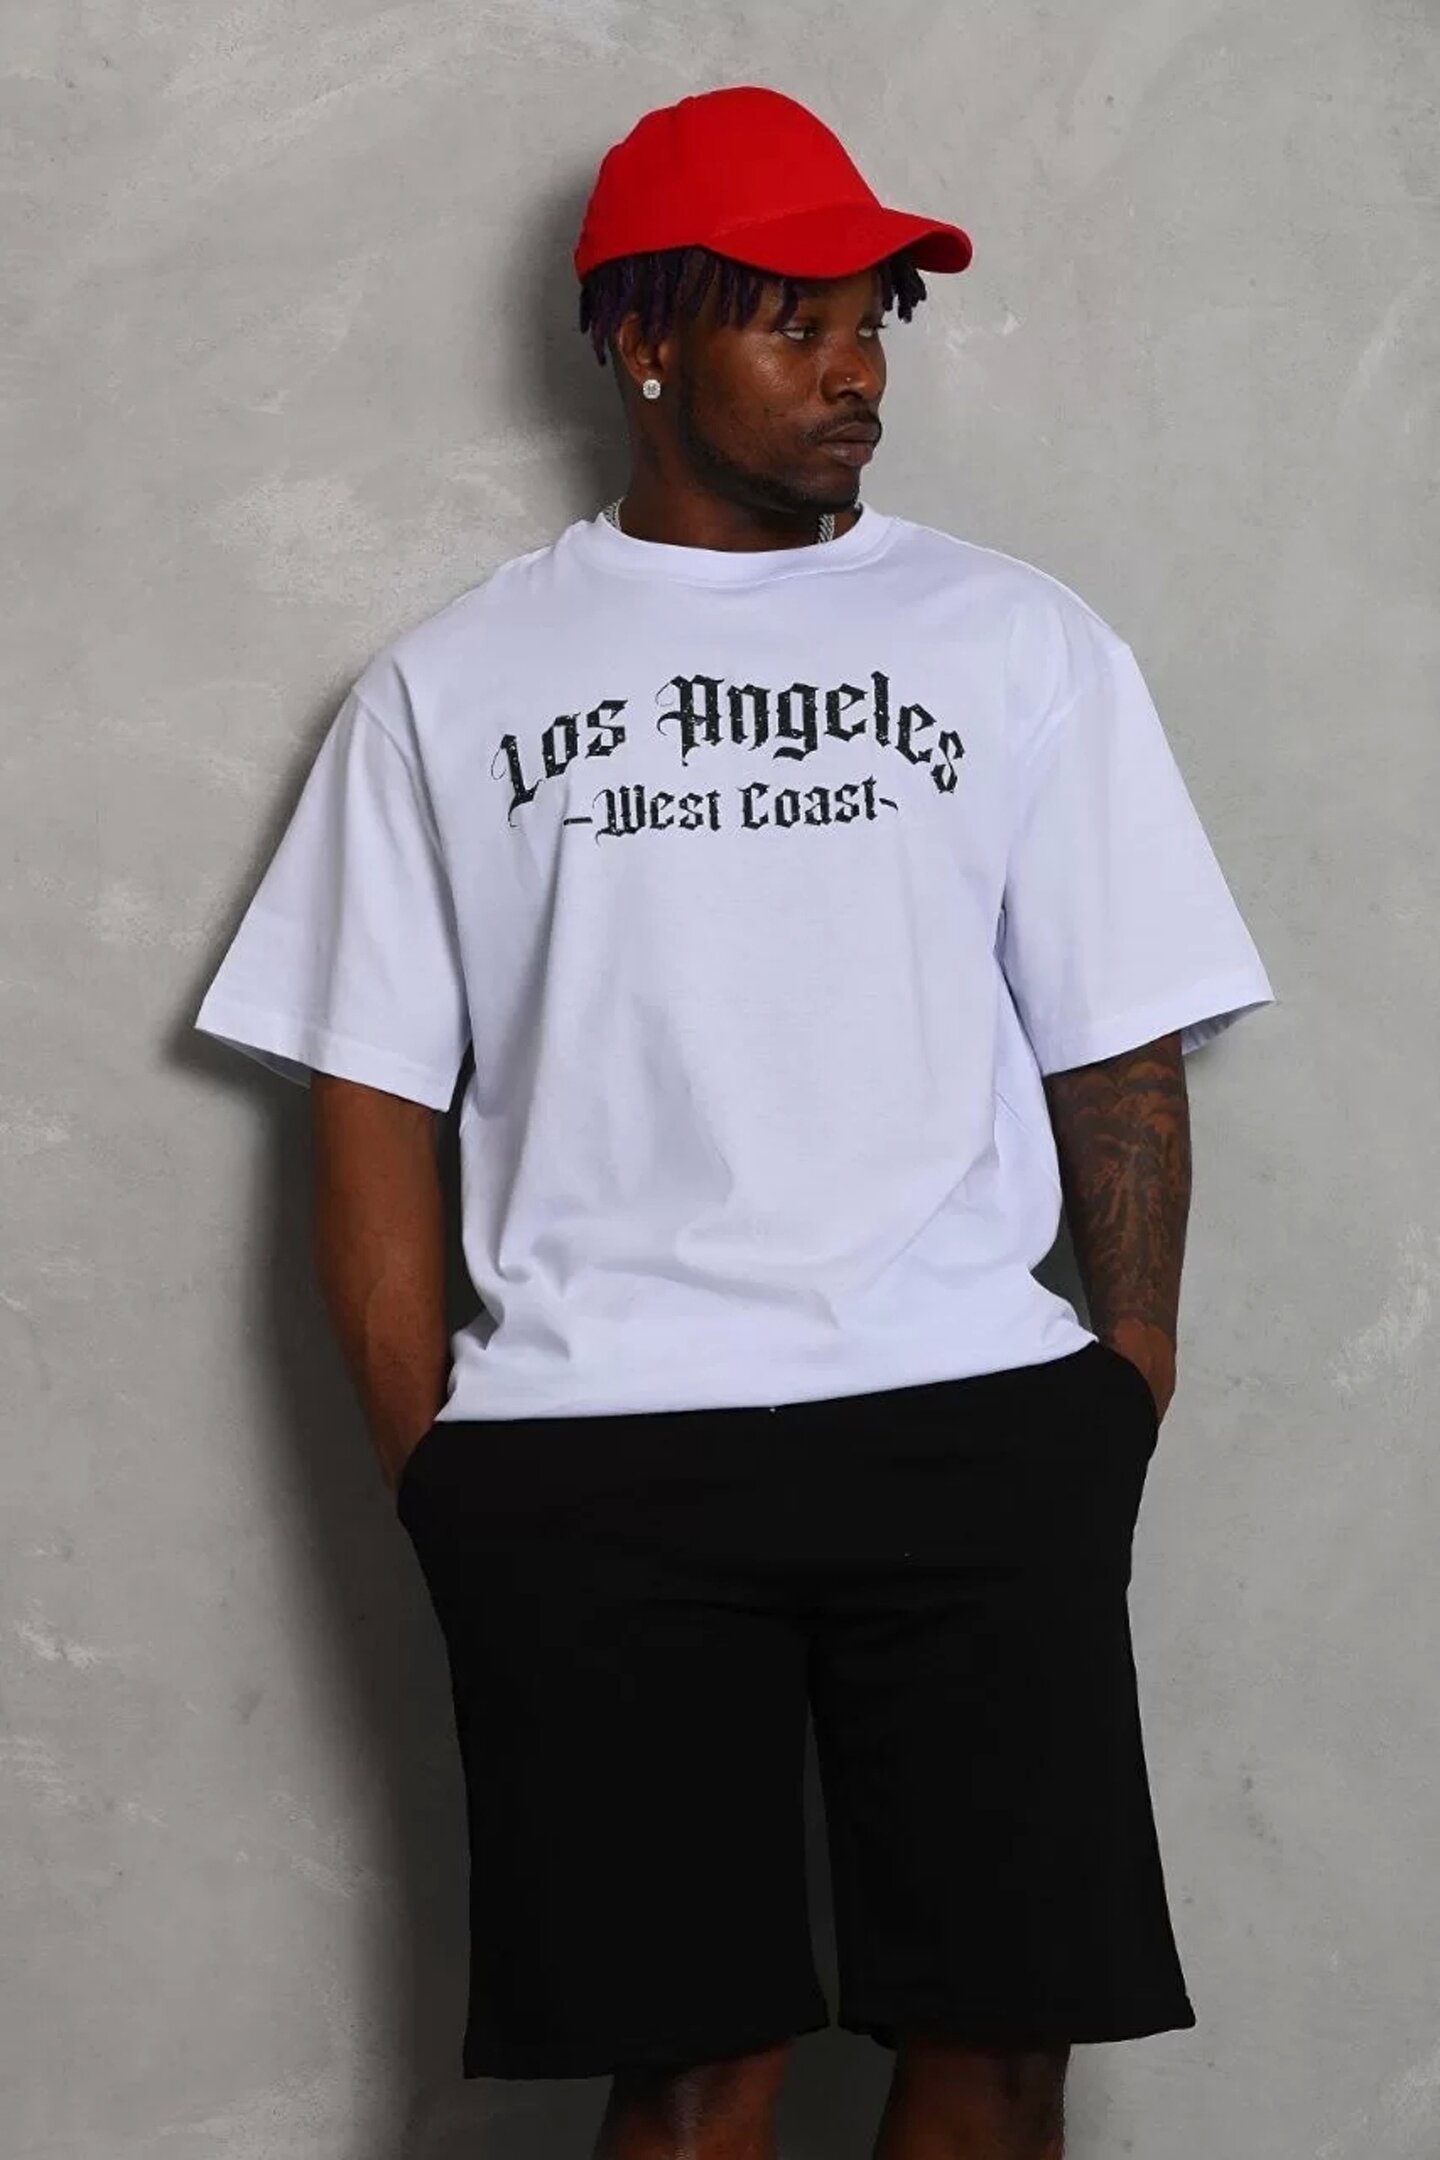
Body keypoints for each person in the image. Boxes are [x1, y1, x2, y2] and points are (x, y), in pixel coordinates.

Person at [194, 82, 1275, 2160]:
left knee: (1002, 2038)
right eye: (796, 326)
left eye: (871, 326)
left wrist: (1124, 1378)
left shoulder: (1016, 641)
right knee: (694, 2064)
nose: (854, 374)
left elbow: (1117, 1043)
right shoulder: (452, 689)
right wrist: (439, 1469)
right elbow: (367, 1098)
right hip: (593, 1451)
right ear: (642, 339)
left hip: (971, 1421)